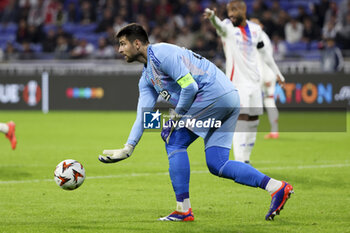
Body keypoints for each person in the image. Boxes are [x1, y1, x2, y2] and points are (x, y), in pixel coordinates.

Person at [98, 23, 293, 221]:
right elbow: (143, 115)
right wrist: (128, 147)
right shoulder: (147, 77)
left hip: (212, 95)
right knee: (217, 164)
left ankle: (183, 210)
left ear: (137, 43)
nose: (120, 49)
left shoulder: (162, 53)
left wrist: (176, 116)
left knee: (174, 141)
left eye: (123, 44)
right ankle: (277, 187)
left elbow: (190, 87)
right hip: (229, 98)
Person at [204, 0, 285, 164]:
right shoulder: (227, 27)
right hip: (237, 84)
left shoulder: (256, 30)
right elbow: (219, 25)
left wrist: (277, 73)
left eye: (234, 10)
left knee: (253, 122)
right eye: (229, 11)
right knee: (241, 120)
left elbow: (265, 54)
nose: (231, 14)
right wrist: (213, 17)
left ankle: (246, 159)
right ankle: (240, 161)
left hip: (255, 82)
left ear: (243, 10)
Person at [250, 18, 282, 139]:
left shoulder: (261, 38)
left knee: (264, 101)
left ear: (261, 26)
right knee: (268, 102)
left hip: (265, 75)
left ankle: (249, 130)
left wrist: (266, 77)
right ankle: (274, 131)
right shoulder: (260, 37)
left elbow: (265, 59)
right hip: (263, 74)